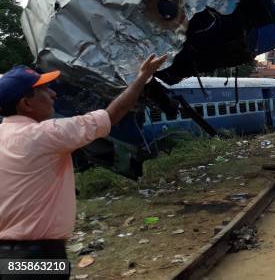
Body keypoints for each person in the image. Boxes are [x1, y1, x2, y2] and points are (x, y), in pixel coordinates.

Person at [0, 55, 167, 279]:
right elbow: (111, 116)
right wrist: (142, 78)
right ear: (26, 103)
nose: (54, 94)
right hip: (38, 258)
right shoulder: (45, 135)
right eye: (45, 90)